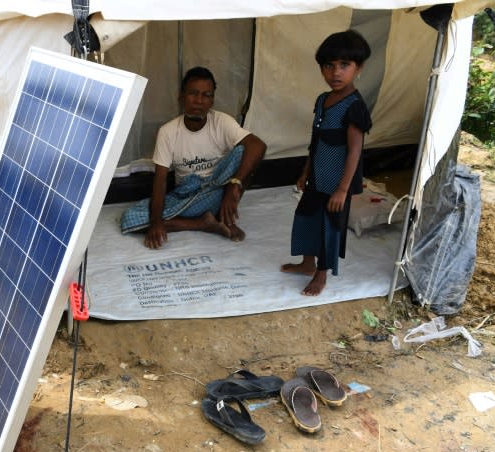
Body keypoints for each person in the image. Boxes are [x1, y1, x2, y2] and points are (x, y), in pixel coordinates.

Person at [120, 66, 266, 249]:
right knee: (130, 219)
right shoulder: (168, 132)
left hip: (220, 190)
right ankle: (204, 223)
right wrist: (156, 222)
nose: (199, 101)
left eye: (206, 95)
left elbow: (258, 145)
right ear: (181, 97)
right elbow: (160, 181)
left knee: (245, 149)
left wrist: (235, 185)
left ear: (212, 100)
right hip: (187, 196)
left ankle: (219, 217)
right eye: (193, 93)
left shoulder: (222, 122)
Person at [281, 30, 372, 296]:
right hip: (316, 177)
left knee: (329, 228)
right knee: (306, 217)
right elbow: (316, 141)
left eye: (344, 65)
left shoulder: (354, 106)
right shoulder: (322, 100)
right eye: (329, 65)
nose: (336, 73)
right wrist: (305, 171)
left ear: (358, 68)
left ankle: (321, 274)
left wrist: (343, 190)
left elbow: (355, 151)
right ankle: (307, 264)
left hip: (337, 182)